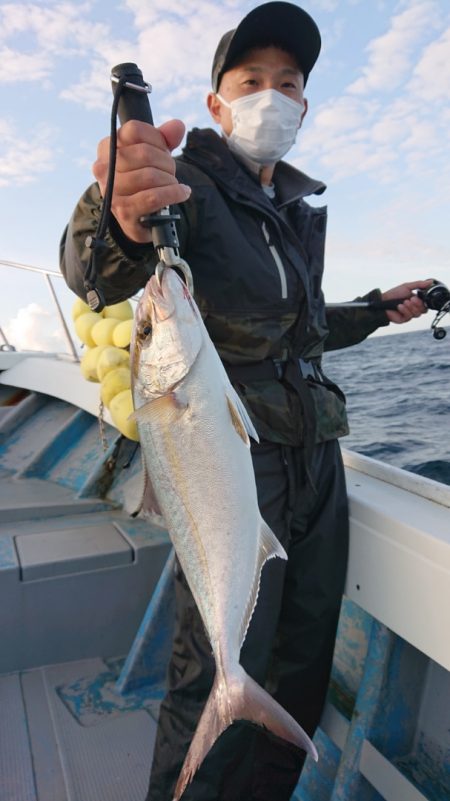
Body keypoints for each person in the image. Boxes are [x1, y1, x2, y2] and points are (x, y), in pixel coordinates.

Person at [60, 3, 430, 799]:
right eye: (251, 80)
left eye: (288, 83)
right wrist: (116, 216)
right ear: (219, 103)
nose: (272, 94)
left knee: (299, 665)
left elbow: (302, 330)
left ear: (304, 104)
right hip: (237, 462)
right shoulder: (181, 184)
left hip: (316, 464)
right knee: (214, 677)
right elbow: (100, 271)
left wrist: (375, 306)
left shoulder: (290, 212)